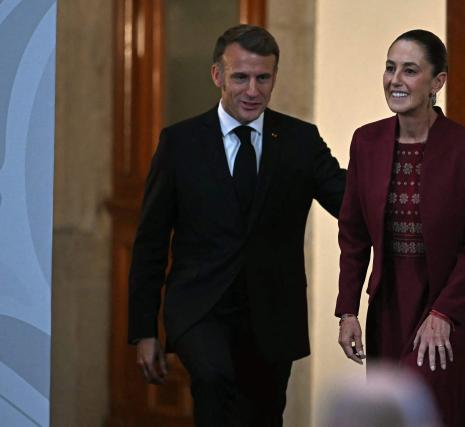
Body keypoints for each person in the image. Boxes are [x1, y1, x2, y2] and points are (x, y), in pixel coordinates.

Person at [128, 24, 345, 426]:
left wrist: (401, 160)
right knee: (213, 382)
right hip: (200, 307)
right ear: (217, 76)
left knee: (263, 414)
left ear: (274, 76)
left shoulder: (299, 140)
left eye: (263, 78)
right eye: (240, 77)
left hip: (273, 312)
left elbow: (348, 203)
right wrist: (145, 330)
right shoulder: (180, 143)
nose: (253, 90)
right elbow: (151, 242)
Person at [335, 29, 465, 426]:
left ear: (437, 82)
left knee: (433, 410)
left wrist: (443, 312)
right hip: (389, 305)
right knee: (392, 415)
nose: (395, 80)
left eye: (409, 70)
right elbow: (353, 234)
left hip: (448, 308)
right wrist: (348, 310)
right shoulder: (365, 141)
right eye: (390, 68)